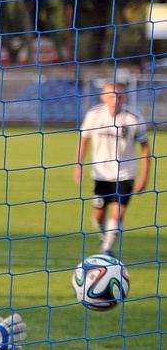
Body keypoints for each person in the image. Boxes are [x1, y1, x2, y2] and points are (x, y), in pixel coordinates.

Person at [74, 82, 151, 257]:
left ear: (125, 97)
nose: (115, 99)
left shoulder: (134, 118)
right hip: (100, 174)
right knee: (99, 216)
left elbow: (145, 147)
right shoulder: (94, 115)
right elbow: (84, 140)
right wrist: (78, 165)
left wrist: (144, 176)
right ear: (103, 97)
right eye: (111, 96)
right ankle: (104, 236)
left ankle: (107, 250)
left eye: (119, 96)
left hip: (125, 174)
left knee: (118, 213)